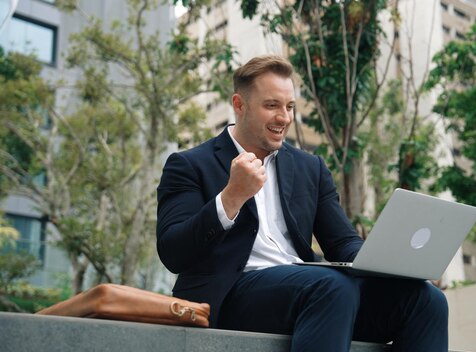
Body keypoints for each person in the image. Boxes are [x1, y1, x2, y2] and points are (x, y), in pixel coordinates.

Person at [156, 55, 448, 351]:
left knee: (426, 300)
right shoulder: (189, 165)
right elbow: (173, 252)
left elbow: (343, 243)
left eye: (289, 106)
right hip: (230, 296)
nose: (284, 117)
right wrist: (231, 197)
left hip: (315, 296)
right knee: (330, 286)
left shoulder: (310, 168)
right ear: (239, 105)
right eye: (272, 106)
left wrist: (391, 265)